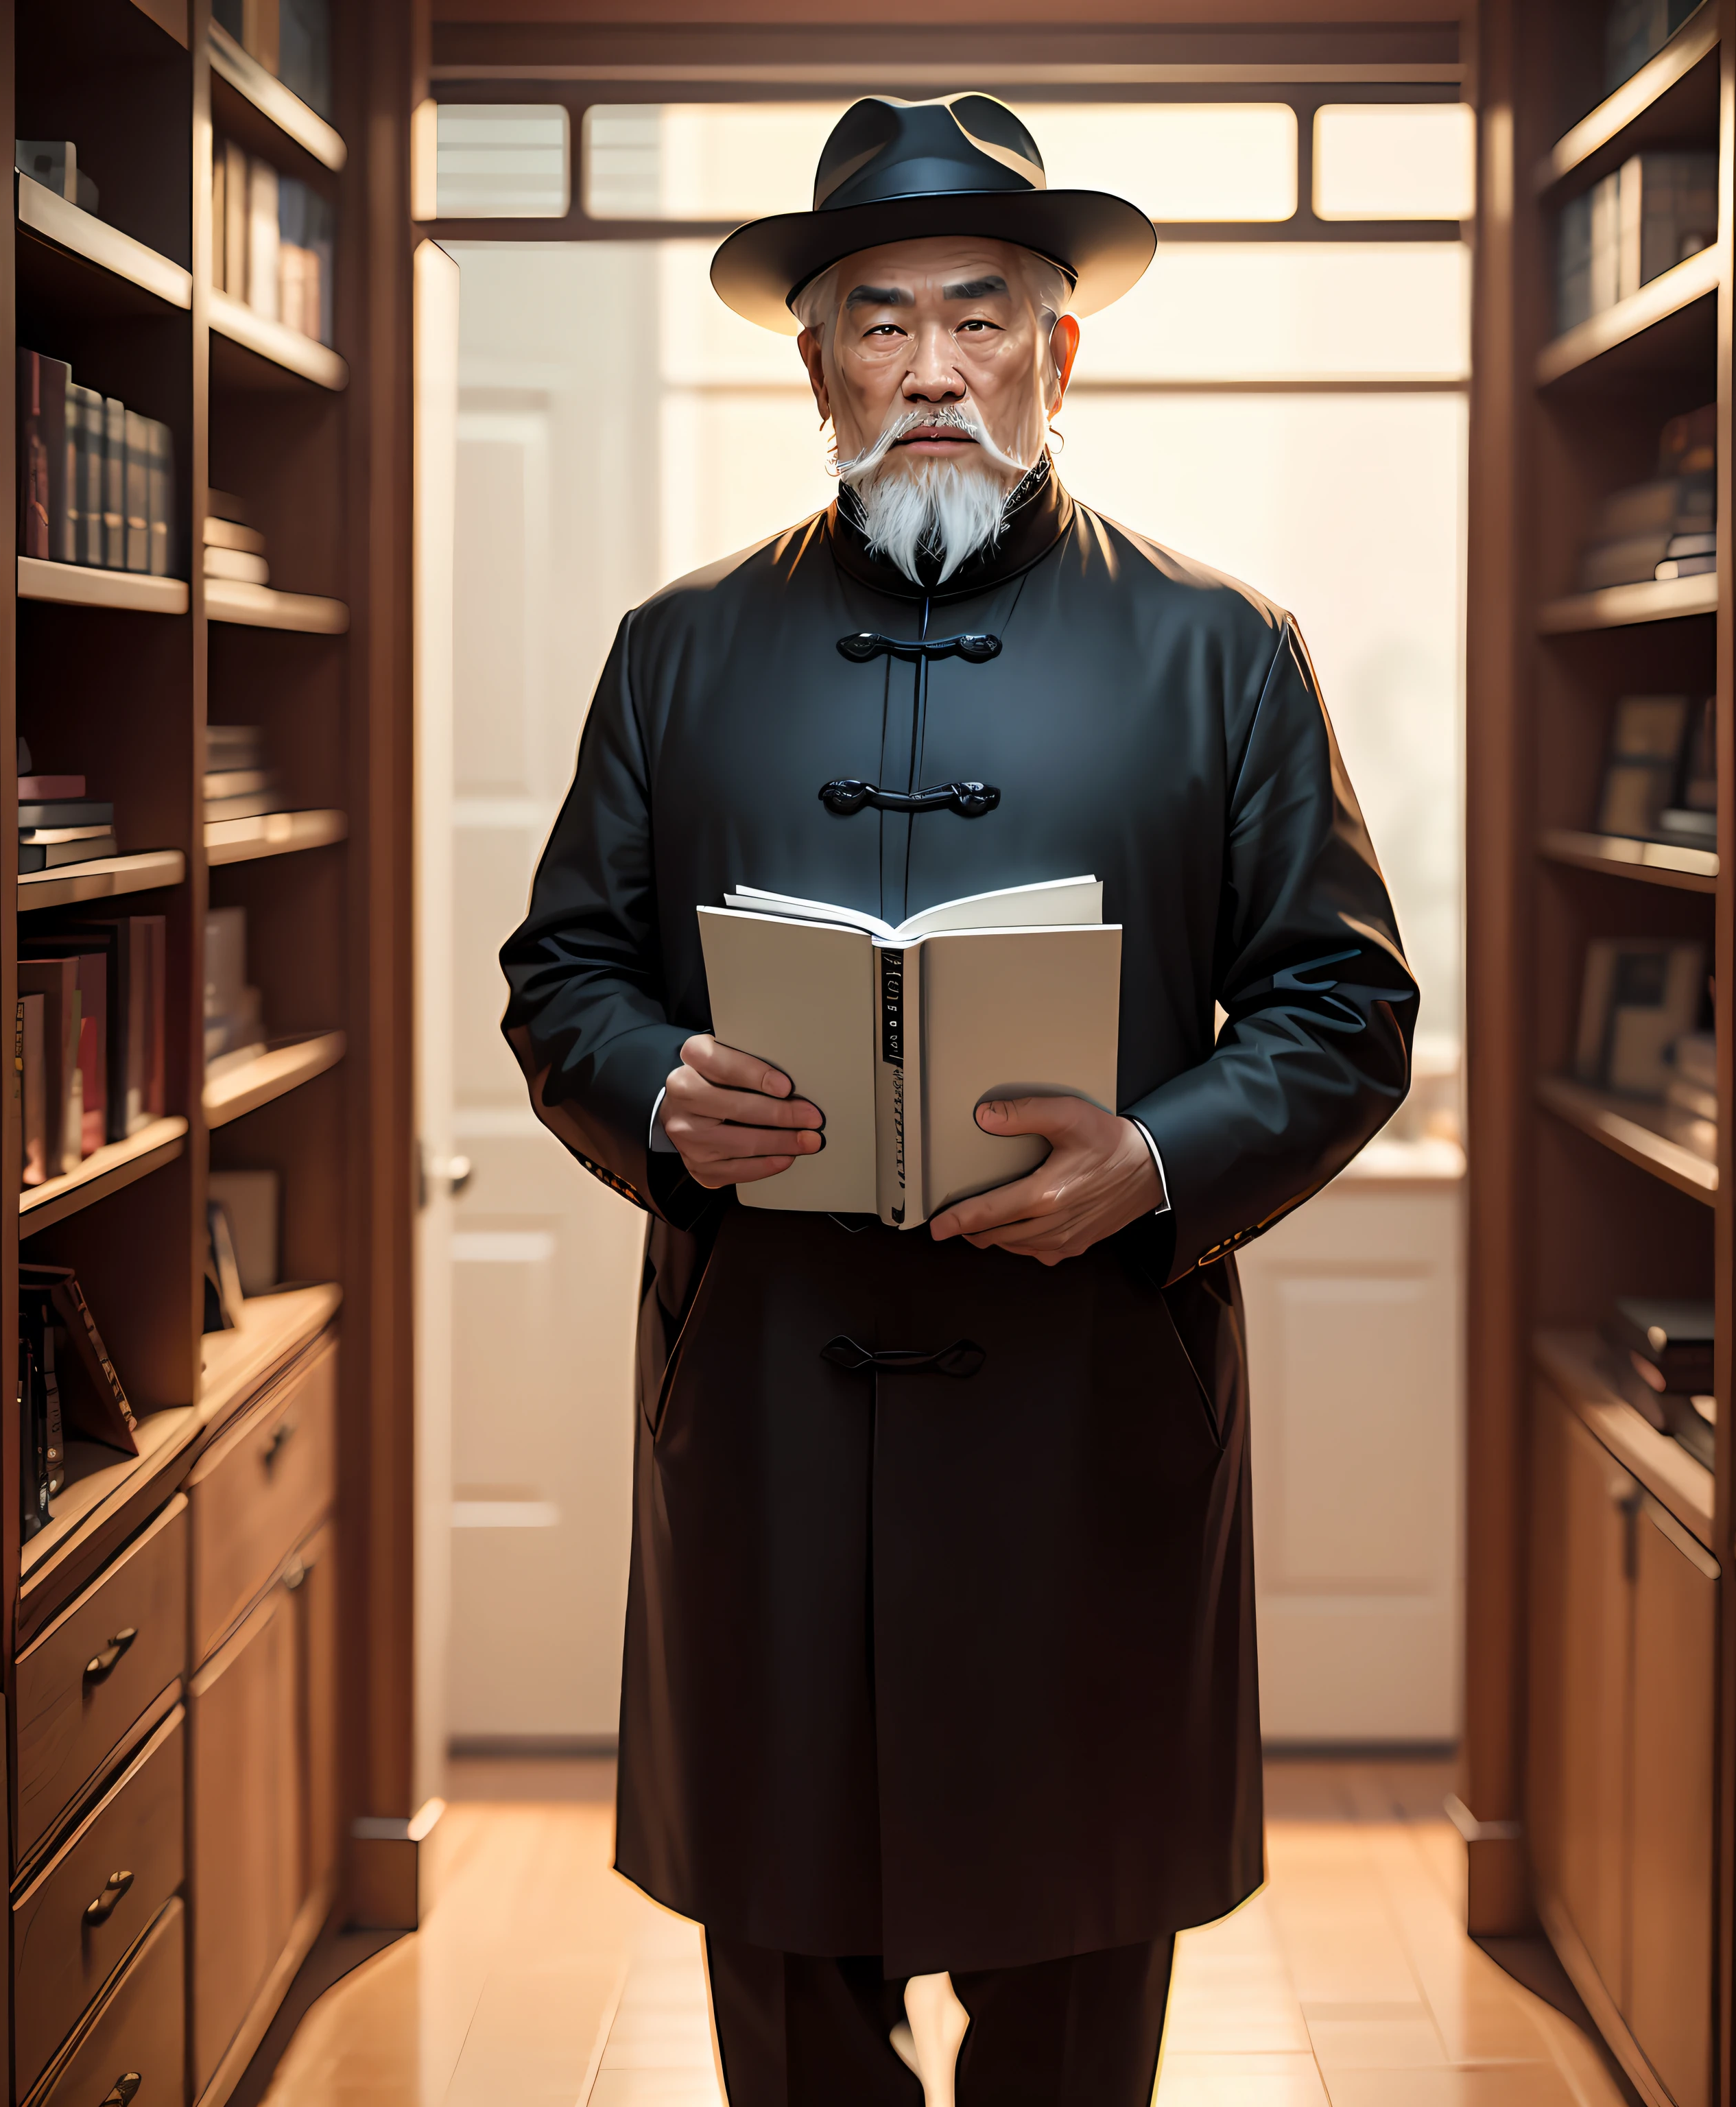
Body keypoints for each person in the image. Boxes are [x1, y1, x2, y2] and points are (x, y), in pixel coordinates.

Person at [500, 91, 1418, 2107]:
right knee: (789, 1978)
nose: (933, 364)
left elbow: (1346, 1010)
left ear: (1061, 350)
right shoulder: (673, 652)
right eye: (882, 317)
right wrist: (662, 1090)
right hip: (763, 1406)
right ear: (816, 359)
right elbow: (559, 979)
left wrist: (1160, 1157)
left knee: (1080, 1973)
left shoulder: (1224, 652)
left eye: (983, 315)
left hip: (1092, 1417)